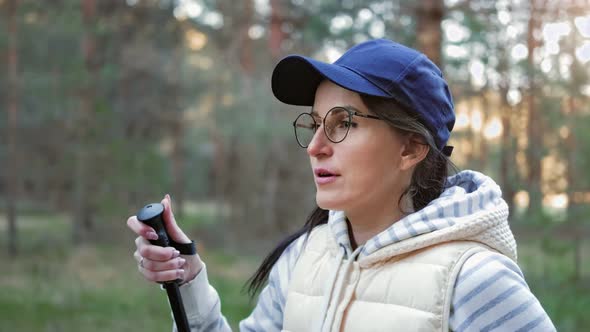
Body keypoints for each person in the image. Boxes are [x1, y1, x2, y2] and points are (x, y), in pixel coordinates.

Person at [127, 39, 556, 331]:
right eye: (315, 124)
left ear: (410, 148)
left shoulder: (475, 279)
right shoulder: (300, 258)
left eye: (343, 123)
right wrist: (188, 278)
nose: (315, 147)